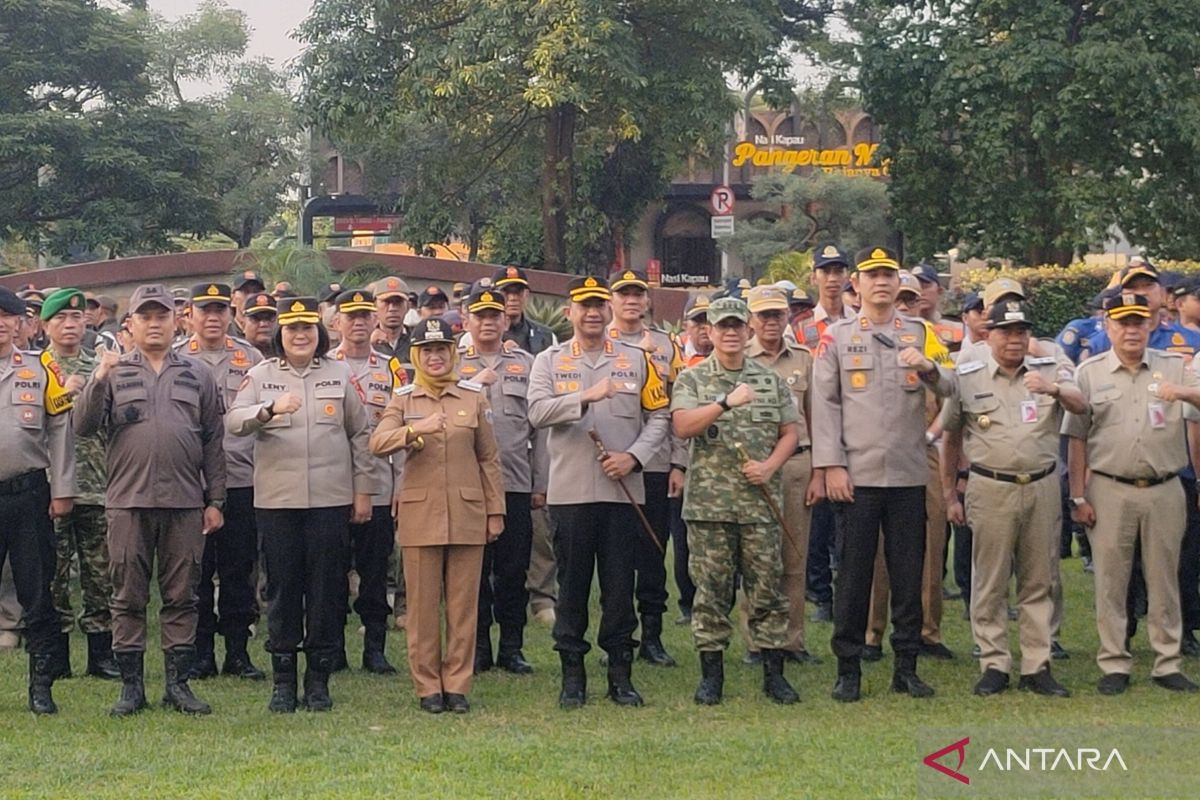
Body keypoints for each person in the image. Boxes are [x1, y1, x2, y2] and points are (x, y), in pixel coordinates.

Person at [74, 283, 226, 717]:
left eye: (162, 315)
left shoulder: (197, 373)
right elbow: (82, 427)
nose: (155, 323)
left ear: (176, 321)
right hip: (127, 502)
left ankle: (178, 685)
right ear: (131, 325)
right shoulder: (113, 372)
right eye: (146, 316)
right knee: (127, 596)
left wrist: (216, 499)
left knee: (183, 595)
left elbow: (214, 440)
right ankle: (131, 687)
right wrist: (99, 378)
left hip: (183, 502)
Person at [811, 247, 952, 703]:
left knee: (909, 574)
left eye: (888, 275)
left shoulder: (920, 332)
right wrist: (830, 464)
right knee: (853, 576)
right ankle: (848, 667)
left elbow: (952, 387)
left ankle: (906, 666)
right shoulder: (836, 337)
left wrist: (929, 367)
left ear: (897, 282)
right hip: (857, 474)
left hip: (909, 473)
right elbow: (825, 404)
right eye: (872, 276)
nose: (881, 283)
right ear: (857, 284)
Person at [527, 276, 669, 708]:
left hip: (622, 491)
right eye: (583, 305)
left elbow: (659, 415)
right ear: (569, 311)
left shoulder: (637, 359)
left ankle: (620, 673)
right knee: (571, 586)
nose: (591, 313)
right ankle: (573, 674)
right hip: (570, 492)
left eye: (597, 305)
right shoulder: (549, 362)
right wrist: (583, 397)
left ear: (608, 310)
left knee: (619, 586)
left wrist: (635, 457)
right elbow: (535, 413)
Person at [227, 297, 374, 712]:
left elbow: (361, 435)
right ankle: (283, 680)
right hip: (278, 502)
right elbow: (233, 423)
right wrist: (268, 410)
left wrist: (364, 491)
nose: (300, 335)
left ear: (319, 332)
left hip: (329, 499)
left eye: (307, 328)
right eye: (292, 328)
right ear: (280, 334)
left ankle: (319, 680)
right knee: (282, 589)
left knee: (327, 590)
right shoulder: (260, 375)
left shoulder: (340, 374)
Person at [941, 300, 1084, 697]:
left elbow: (1082, 406)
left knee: (1040, 578)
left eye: (1022, 332)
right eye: (1006, 331)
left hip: (1040, 485)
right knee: (990, 579)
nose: (1015, 340)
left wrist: (1053, 388)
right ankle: (994, 662)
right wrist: (949, 492)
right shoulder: (968, 377)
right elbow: (951, 438)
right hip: (990, 487)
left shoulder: (1048, 371)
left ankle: (1037, 663)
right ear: (989, 336)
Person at [1065, 291, 1200, 694]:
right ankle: (1114, 662)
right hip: (1109, 487)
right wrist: (1077, 495)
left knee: (1165, 578)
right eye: (1122, 322)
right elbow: (1076, 440)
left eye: (1138, 321)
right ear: (1107, 326)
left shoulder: (1176, 366)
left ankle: (1167, 661)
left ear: (1152, 324)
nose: (1131, 330)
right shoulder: (1089, 373)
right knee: (1111, 579)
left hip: (1164, 487)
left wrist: (1186, 394)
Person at [669, 295, 803, 705]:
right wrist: (725, 402)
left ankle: (773, 673)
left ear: (748, 332)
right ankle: (712, 677)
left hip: (759, 505)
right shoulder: (693, 379)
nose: (729, 332)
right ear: (708, 331)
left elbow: (791, 432)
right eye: (721, 325)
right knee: (711, 592)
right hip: (710, 507)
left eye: (736, 326)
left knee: (767, 590)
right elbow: (682, 426)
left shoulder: (769, 380)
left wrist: (769, 467)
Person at [369, 317, 506, 713]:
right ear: (416, 355)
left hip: (467, 511)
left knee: (463, 606)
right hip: (420, 514)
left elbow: (488, 458)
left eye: (441, 349)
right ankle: (428, 685)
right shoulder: (404, 399)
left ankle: (458, 684)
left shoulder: (472, 397)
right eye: (427, 350)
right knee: (423, 609)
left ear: (452, 353)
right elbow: (377, 443)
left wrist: (495, 511)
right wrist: (416, 431)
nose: (434, 357)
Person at [174, 283, 265, 682]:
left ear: (232, 314)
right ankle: (201, 653)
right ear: (189, 314)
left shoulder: (252, 358)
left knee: (238, 571)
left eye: (220, 309)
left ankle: (238, 653)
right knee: (195, 572)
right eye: (204, 309)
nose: (212, 317)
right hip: (190, 482)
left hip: (242, 479)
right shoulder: (176, 359)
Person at [457, 288, 547, 675]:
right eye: (480, 315)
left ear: (506, 319)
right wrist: (476, 382)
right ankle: (477, 647)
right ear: (467, 320)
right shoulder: (451, 363)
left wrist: (540, 482)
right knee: (472, 572)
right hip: (467, 484)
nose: (488, 321)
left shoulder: (527, 364)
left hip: (514, 481)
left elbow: (539, 430)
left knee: (513, 570)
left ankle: (512, 646)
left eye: (494, 314)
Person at [0, 286, 76, 714]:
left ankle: (41, 687)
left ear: (21, 323)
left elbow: (61, 432)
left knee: (38, 594)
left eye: (6, 316)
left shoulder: (39, 368)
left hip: (28, 495)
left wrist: (63, 490)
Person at [41, 288, 120, 681]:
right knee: (53, 572)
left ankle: (101, 655)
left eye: (76, 319)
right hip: (51, 486)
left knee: (100, 574)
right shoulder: (35, 367)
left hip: (100, 483)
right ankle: (56, 655)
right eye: (61, 320)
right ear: (45, 326)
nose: (70, 325)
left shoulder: (104, 365)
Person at [608, 268, 684, 667]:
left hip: (655, 466)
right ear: (611, 302)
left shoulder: (668, 346)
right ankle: (618, 635)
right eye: (624, 294)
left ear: (647, 300)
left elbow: (678, 407)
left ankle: (652, 636)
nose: (632, 301)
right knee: (616, 556)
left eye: (638, 294)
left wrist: (679, 463)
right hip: (611, 468)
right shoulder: (598, 344)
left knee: (654, 553)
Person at [743, 286, 821, 665]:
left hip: (795, 466)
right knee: (756, 557)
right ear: (751, 320)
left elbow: (816, 417)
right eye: (763, 315)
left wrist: (820, 472)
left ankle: (792, 641)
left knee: (794, 554)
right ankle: (757, 641)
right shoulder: (738, 359)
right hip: (752, 468)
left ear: (787, 316)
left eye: (777, 314)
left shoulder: (804, 360)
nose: (771, 321)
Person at [331, 289, 406, 675]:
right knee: (331, 574)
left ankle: (374, 648)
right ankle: (334, 649)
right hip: (332, 486)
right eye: (351, 316)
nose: (358, 322)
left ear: (375, 319)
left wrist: (402, 487)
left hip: (378, 484)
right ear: (336, 323)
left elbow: (404, 432)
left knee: (376, 572)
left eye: (364, 315)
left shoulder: (392, 369)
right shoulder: (325, 365)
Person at [492, 267, 559, 627]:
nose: (513, 297)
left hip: (528, 456)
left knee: (538, 534)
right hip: (490, 462)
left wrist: (541, 477)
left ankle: (542, 596)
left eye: (518, 291)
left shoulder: (543, 338)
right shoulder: (467, 347)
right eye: (506, 292)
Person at [371, 277, 412, 359]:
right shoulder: (364, 342)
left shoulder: (417, 341)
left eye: (398, 302)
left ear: (408, 306)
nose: (392, 308)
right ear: (374, 306)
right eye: (386, 302)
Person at [230, 270, 266, 337]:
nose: (251, 296)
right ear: (233, 298)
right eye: (245, 291)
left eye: (256, 291)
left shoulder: (268, 329)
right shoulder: (224, 331)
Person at [242, 293, 279, 358]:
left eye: (270, 318)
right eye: (256, 318)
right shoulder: (232, 356)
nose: (263, 324)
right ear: (243, 324)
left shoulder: (292, 357)